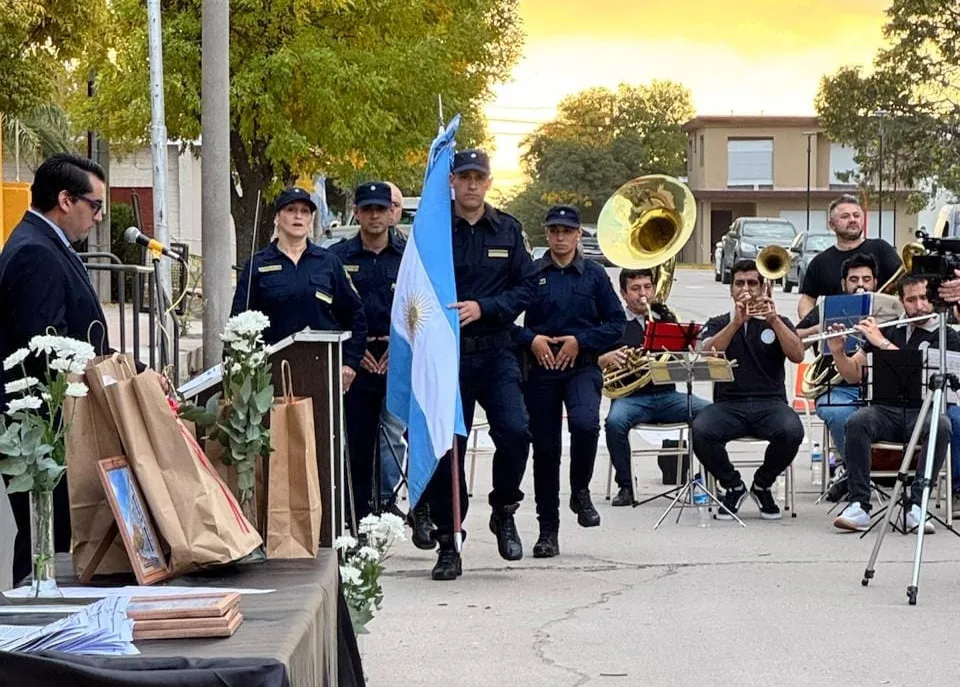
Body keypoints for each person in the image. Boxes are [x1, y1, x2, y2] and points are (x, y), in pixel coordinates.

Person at [424, 148, 538, 581]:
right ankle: (448, 541)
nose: (472, 185)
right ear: (452, 181)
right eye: (465, 177)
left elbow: (528, 287)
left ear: (489, 182)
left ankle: (503, 508)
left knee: (515, 430)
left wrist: (485, 307)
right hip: (445, 355)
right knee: (445, 448)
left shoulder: (508, 230)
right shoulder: (435, 230)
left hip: (496, 350)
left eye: (480, 178)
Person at [0, 153, 109, 583]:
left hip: (54, 423)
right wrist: (110, 371)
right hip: (42, 428)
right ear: (65, 200)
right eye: (95, 205)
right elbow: (49, 348)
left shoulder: (44, 244)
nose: (98, 218)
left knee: (51, 535)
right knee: (45, 535)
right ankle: (29, 637)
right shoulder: (35, 252)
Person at [514, 205, 625, 558]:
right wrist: (531, 339)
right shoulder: (532, 273)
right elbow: (506, 319)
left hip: (582, 365)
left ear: (579, 235)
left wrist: (583, 341)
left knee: (585, 425)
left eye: (567, 231)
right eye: (554, 231)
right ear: (546, 235)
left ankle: (581, 491)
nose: (560, 238)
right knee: (545, 450)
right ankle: (548, 531)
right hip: (542, 367)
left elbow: (615, 323)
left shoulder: (594, 275)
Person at [831, 275, 958, 533]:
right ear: (902, 302)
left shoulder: (947, 336)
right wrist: (837, 351)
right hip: (885, 410)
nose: (919, 306)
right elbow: (854, 373)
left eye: (924, 298)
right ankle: (859, 504)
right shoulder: (891, 329)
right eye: (912, 300)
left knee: (941, 424)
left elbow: (917, 368)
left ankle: (917, 505)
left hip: (923, 410)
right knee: (857, 421)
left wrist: (881, 343)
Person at [692, 259, 806, 521]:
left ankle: (762, 485)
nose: (746, 289)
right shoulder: (718, 321)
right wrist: (735, 323)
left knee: (792, 431)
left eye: (753, 283)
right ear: (731, 290)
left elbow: (798, 355)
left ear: (763, 287)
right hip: (729, 404)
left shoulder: (778, 320)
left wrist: (774, 320)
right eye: (740, 283)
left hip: (770, 403)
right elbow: (707, 353)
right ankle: (732, 485)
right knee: (700, 430)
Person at [329, 182, 405, 525]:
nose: (375, 216)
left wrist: (400, 351)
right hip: (356, 360)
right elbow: (332, 312)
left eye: (381, 209)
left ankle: (388, 503)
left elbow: (421, 309)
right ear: (356, 213)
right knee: (357, 441)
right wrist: (354, 353)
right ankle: (357, 515)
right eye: (368, 209)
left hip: (399, 357)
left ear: (392, 213)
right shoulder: (337, 258)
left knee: (395, 436)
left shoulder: (408, 257)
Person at [602, 269, 710, 507]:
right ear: (623, 293)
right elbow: (599, 361)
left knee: (711, 413)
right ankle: (626, 485)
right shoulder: (613, 324)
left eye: (647, 287)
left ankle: (708, 482)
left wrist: (685, 351)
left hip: (667, 395)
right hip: (630, 398)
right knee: (614, 422)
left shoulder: (665, 319)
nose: (643, 294)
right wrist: (608, 357)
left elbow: (682, 360)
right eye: (636, 289)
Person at [796, 253, 879, 461]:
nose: (860, 285)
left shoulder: (890, 309)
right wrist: (819, 328)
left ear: (875, 282)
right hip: (839, 388)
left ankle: (878, 469)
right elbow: (794, 341)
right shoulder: (826, 308)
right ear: (844, 284)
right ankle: (854, 473)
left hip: (880, 389)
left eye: (866, 279)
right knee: (839, 414)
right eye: (854, 280)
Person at [797, 194, 902, 320]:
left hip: (882, 328)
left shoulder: (881, 248)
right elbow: (808, 299)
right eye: (845, 216)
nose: (852, 220)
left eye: (856, 215)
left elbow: (903, 283)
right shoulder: (820, 262)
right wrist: (812, 326)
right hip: (838, 332)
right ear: (832, 224)